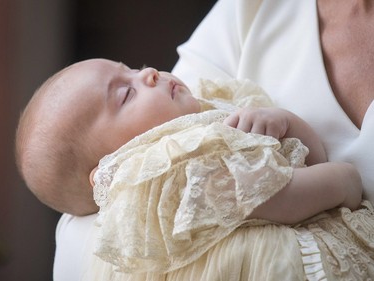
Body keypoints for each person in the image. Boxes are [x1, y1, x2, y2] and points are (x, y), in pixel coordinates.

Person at [50, 0, 374, 279]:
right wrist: (341, 181)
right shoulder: (169, 171)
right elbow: (270, 198)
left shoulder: (207, 109)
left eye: (132, 69)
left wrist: (287, 123)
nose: (148, 73)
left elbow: (306, 159)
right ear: (111, 170)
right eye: (126, 93)